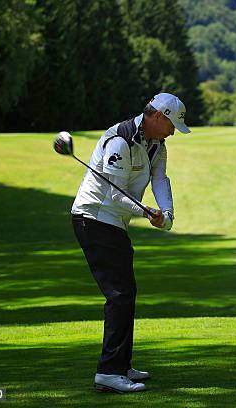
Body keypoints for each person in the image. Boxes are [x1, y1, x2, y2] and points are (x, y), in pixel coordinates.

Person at [71, 93, 190, 393]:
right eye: (172, 124)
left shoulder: (156, 145)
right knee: (120, 293)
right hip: (94, 218)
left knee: (126, 292)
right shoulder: (120, 141)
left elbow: (161, 180)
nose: (174, 131)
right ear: (158, 117)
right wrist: (147, 211)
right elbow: (115, 194)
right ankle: (108, 371)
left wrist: (168, 213)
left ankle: (121, 365)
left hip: (113, 222)